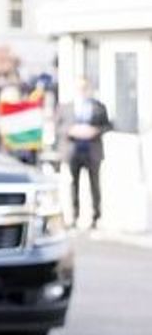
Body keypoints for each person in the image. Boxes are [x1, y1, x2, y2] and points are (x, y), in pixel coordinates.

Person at [60, 76, 112, 227]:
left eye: (84, 88)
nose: (82, 91)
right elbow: (59, 126)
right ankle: (74, 216)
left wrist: (94, 131)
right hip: (73, 151)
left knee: (94, 185)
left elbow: (107, 125)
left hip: (92, 151)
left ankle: (96, 217)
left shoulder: (99, 107)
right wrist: (71, 130)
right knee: (73, 184)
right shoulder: (66, 107)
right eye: (79, 88)